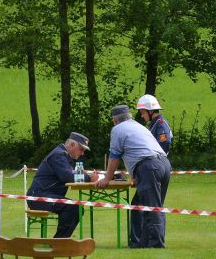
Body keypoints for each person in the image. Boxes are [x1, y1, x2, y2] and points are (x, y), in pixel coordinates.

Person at [97, 105, 172, 248]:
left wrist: (107, 179)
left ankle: (155, 244)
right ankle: (139, 243)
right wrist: (136, 175)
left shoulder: (118, 129)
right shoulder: (138, 126)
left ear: (115, 120)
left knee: (152, 206)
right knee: (139, 204)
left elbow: (114, 156)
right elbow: (138, 149)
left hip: (149, 167)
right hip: (163, 164)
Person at [26, 132, 91, 238]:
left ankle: (61, 240)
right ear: (72, 145)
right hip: (38, 197)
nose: (82, 153)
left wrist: (86, 176)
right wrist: (89, 178)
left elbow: (69, 174)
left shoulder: (63, 155)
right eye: (81, 149)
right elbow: (67, 177)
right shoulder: (59, 155)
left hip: (46, 195)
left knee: (76, 207)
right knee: (73, 207)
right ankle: (59, 242)